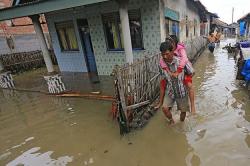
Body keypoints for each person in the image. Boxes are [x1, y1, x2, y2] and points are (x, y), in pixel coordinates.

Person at [155, 35, 195, 114]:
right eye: (167, 42)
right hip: (170, 72)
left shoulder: (180, 49)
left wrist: (179, 71)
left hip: (183, 70)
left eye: (171, 43)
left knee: (189, 86)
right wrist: (168, 72)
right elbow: (162, 62)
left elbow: (184, 59)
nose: (168, 44)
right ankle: (161, 103)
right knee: (162, 84)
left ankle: (193, 106)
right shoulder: (165, 54)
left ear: (175, 45)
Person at [159, 40, 190, 124]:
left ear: (173, 51)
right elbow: (163, 80)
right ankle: (171, 121)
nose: (165, 57)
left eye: (167, 54)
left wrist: (185, 79)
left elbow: (192, 72)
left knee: (183, 112)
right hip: (170, 91)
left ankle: (181, 123)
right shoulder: (161, 64)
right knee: (164, 108)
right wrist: (160, 101)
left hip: (181, 91)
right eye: (163, 54)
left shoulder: (181, 61)